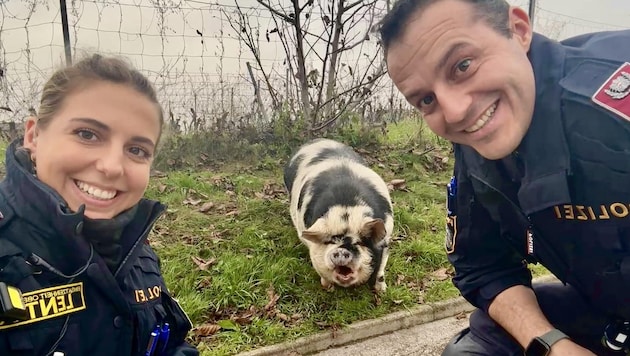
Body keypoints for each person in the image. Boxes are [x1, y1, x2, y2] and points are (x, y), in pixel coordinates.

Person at [378, 0, 630, 355]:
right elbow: (483, 265)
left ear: (519, 31)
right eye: (426, 99)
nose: (455, 111)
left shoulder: (615, 99)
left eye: (462, 65)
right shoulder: (480, 147)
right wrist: (550, 344)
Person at [0, 54, 199, 355]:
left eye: (136, 149)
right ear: (34, 135)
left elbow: (169, 345)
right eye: (87, 134)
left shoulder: (134, 247)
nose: (111, 167)